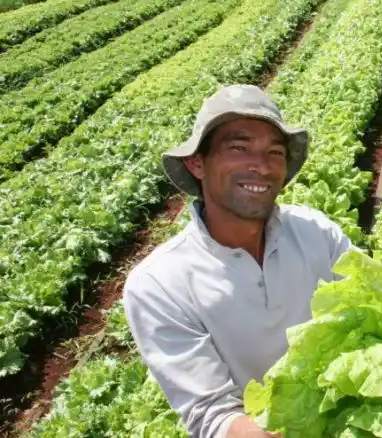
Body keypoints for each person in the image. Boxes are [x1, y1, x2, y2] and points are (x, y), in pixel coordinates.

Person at [123, 85, 353, 438]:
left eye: (275, 152)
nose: (261, 166)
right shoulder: (159, 284)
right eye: (239, 148)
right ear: (197, 163)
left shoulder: (316, 231)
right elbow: (212, 413)